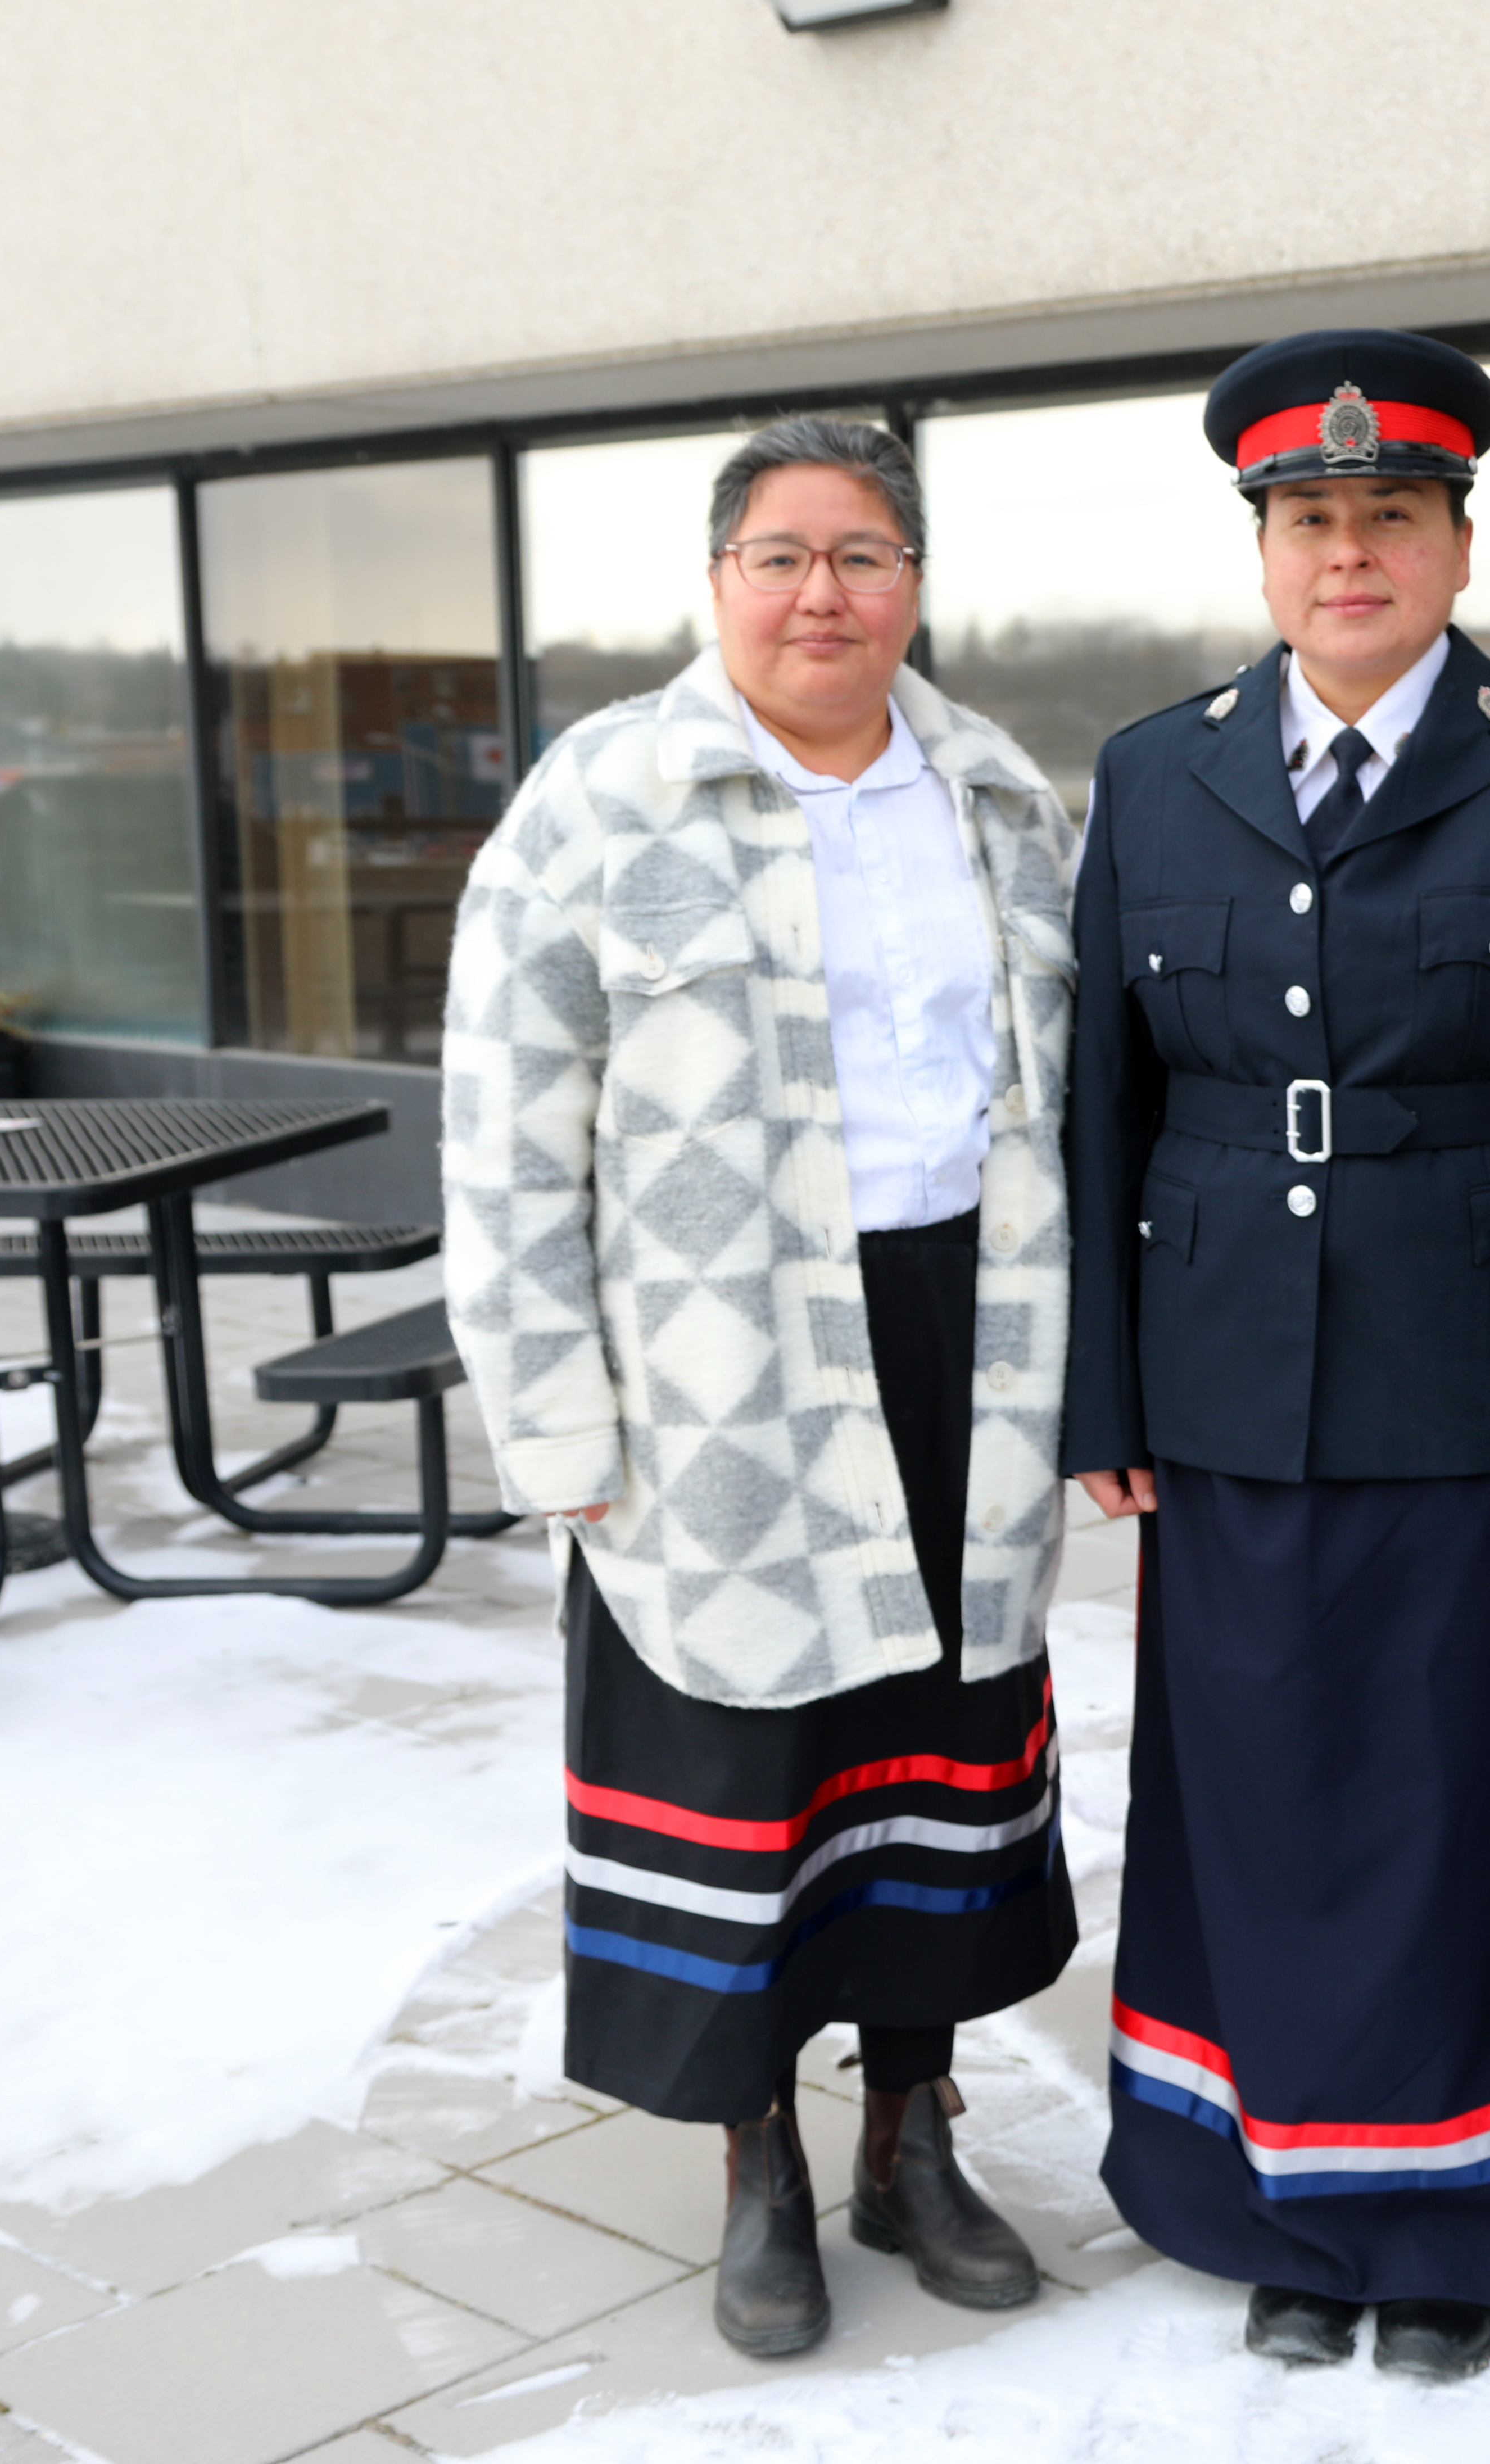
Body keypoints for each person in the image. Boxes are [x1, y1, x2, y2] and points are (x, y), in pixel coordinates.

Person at [1062, 330, 1490, 2384]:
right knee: (1256, 1795)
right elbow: (1104, 1106)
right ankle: (1277, 2204)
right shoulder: (1159, 770)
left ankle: (1475, 2223)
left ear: (1455, 539)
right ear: (1261, 546)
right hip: (1230, 1365)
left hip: (1487, 1382)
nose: (1347, 552)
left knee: (1471, 1797)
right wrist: (1107, 1392)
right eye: (1306, 518)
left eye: (1386, 516)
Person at [442, 416, 1084, 2359]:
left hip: (967, 1336)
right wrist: (556, 1412)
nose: (826, 592)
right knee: (742, 1781)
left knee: (941, 1769)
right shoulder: (600, 799)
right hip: (713, 1370)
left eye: (866, 554)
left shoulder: (995, 799)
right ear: (717, 580)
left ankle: (909, 2133)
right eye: (783, 555)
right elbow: (500, 1133)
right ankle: (757, 2170)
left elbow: (1076, 1108)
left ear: (914, 584)